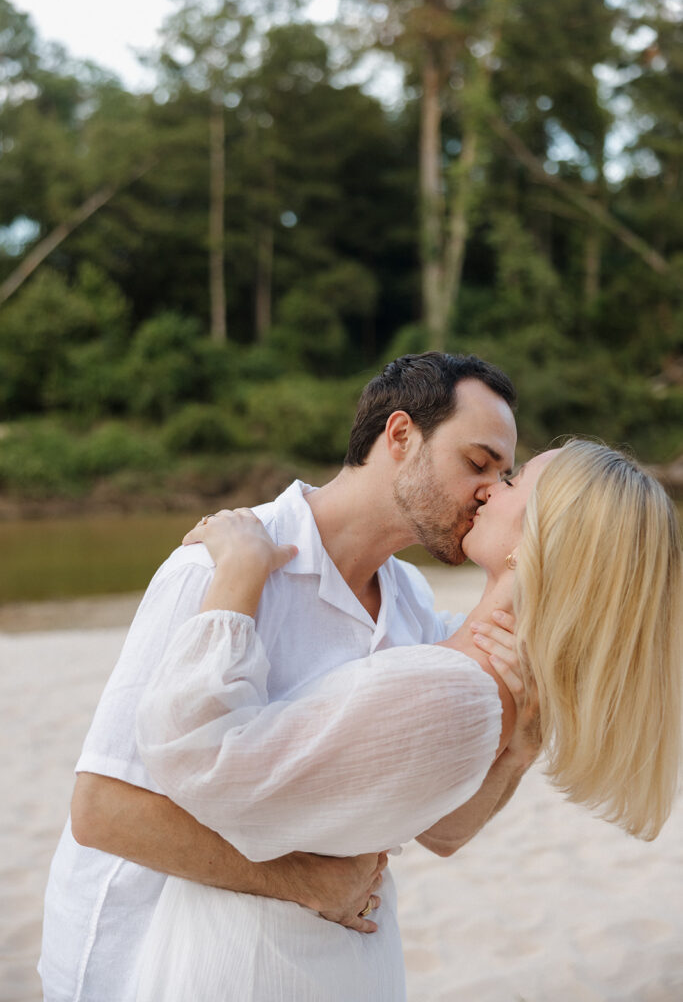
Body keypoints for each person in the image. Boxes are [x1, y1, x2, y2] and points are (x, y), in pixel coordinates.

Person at [41, 352, 527, 1002]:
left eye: (503, 475)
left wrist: (518, 746)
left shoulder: (411, 604)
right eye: (477, 462)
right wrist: (309, 881)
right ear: (401, 435)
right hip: (136, 963)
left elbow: (440, 831)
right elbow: (101, 812)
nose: (491, 490)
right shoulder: (217, 568)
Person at [133, 439, 682, 1001]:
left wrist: (239, 574)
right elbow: (442, 832)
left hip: (258, 969)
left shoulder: (452, 686)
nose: (491, 487)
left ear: (544, 537)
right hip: (324, 960)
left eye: (514, 483)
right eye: (485, 467)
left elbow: (199, 758)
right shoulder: (489, 675)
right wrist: (519, 750)